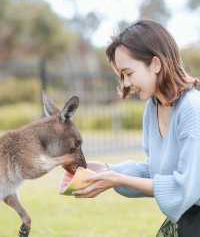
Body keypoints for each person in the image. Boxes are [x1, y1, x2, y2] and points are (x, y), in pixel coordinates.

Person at [72, 19, 200, 236]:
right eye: (121, 76)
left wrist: (116, 179)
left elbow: (184, 188)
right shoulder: (152, 109)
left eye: (128, 73)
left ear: (156, 64)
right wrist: (105, 170)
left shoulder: (193, 109)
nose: (125, 84)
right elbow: (156, 171)